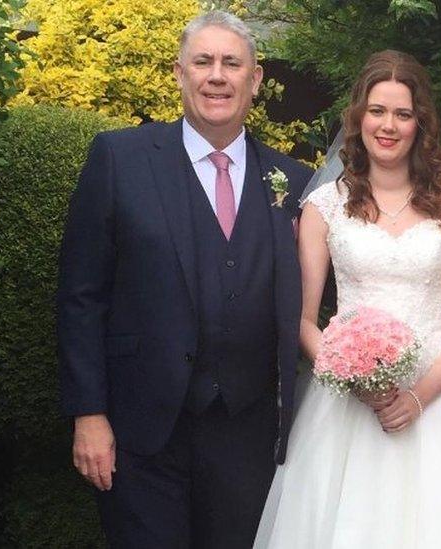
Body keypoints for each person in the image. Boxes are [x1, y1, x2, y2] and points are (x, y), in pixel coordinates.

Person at [253, 50, 441, 549]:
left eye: (403, 114)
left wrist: (419, 397)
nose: (388, 125)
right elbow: (301, 318)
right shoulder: (324, 206)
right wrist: (351, 377)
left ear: (419, 124)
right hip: (344, 403)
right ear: (358, 116)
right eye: (378, 111)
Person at [56, 11, 312, 547]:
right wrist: (89, 413)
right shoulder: (119, 159)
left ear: (255, 79)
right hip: (141, 431)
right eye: (203, 61)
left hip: (249, 431)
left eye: (231, 63)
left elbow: (323, 297)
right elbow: (81, 296)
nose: (216, 76)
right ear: (179, 73)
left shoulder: (294, 182)